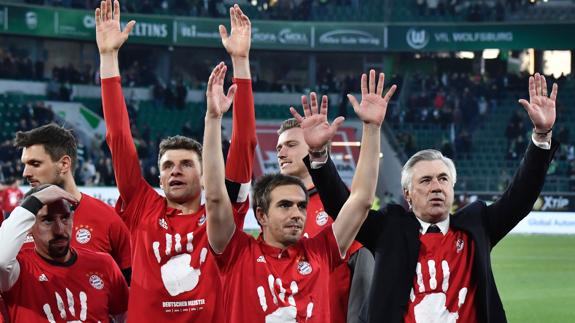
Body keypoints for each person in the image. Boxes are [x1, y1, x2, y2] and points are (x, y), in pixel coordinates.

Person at [304, 73, 559, 322]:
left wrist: (541, 136)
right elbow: (342, 206)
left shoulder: (478, 223)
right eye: (425, 181)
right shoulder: (388, 229)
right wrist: (318, 154)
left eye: (443, 179)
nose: (436, 187)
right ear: (408, 194)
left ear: (452, 188)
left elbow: (521, 196)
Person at [97, 1, 256, 321]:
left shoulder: (222, 211)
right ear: (158, 176)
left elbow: (245, 145)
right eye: (168, 166)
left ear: (204, 174)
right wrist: (108, 58)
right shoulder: (142, 206)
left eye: (185, 164)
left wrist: (240, 62)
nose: (175, 171)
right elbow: (119, 139)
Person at [204, 66, 395, 322]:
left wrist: (371, 128)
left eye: (300, 206)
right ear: (261, 214)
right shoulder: (238, 252)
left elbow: (360, 201)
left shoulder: (320, 251)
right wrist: (213, 119)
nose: (297, 213)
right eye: (285, 205)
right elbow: (216, 198)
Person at [276, 93, 375, 323]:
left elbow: (363, 278)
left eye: (290, 145)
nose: (281, 153)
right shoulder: (272, 209)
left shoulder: (340, 205)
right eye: (279, 147)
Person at [14, 124, 132, 283]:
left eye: (35, 164)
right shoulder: (18, 224)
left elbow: (131, 289)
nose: (25, 173)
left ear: (64, 164)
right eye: (25, 164)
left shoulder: (108, 219)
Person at [0, 184, 129, 322]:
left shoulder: (104, 265)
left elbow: (126, 317)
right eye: (48, 220)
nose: (60, 230)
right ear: (29, 226)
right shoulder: (18, 271)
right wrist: (35, 201)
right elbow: (2, 261)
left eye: (65, 218)